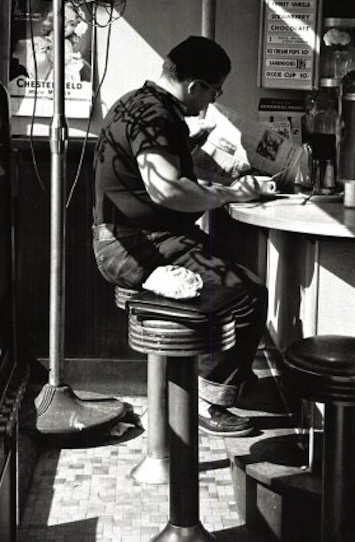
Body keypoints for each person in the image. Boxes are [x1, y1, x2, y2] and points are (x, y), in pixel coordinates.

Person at [92, 35, 268, 436]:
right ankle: (211, 400)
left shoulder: (136, 103)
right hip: (136, 249)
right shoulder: (156, 116)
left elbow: (150, 172)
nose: (211, 101)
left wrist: (195, 150)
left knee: (237, 275)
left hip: (134, 238)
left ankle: (227, 377)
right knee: (249, 296)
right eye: (214, 91)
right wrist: (229, 194)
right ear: (196, 87)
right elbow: (166, 189)